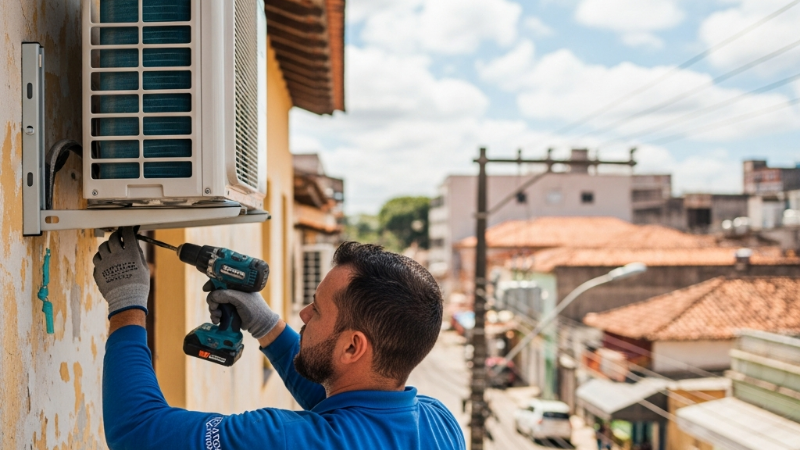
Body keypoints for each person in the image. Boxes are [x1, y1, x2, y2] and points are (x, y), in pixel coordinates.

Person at [94, 227, 465, 449]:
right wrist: (267, 326)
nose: (303, 314)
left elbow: (136, 430)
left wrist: (126, 304)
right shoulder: (439, 424)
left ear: (353, 346)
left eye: (316, 310)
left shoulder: (278, 440)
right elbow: (345, 404)